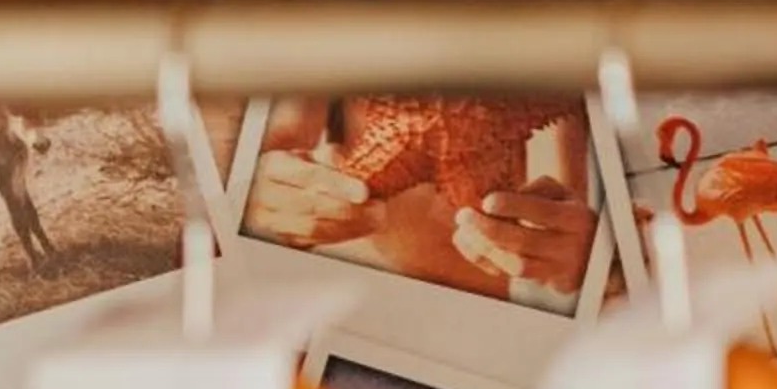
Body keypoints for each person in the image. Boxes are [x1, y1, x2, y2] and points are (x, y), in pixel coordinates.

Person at [243, 107, 597, 307]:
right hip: (342, 299)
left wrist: (580, 269)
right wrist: (253, 200)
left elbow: (564, 229)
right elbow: (278, 140)